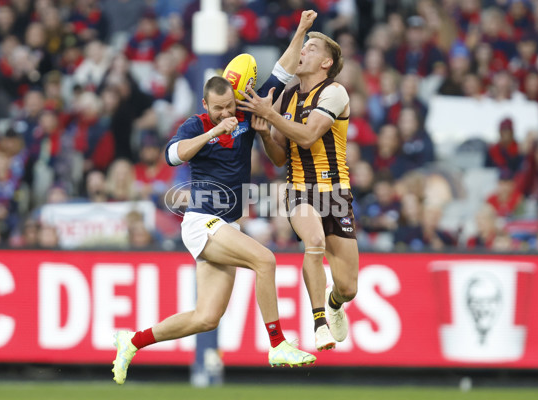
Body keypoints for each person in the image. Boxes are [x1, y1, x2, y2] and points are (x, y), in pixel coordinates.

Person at [111, 10, 319, 385]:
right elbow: (172, 155)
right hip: (202, 221)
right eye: (218, 108)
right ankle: (278, 344)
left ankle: (132, 341)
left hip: (226, 224)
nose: (226, 112)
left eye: (229, 106)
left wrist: (302, 30)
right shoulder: (196, 125)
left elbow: (284, 71)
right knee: (266, 261)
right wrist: (212, 132)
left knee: (207, 317)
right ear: (206, 105)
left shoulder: (245, 109)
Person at [238, 30, 359, 352]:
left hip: (335, 193)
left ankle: (334, 303)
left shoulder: (334, 92)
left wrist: (269, 114)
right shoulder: (287, 96)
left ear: (326, 62)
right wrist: (266, 135)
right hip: (299, 189)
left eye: (311, 47)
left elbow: (307, 136)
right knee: (314, 242)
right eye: (303, 46)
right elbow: (280, 158)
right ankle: (319, 323)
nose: (302, 51)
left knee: (349, 288)